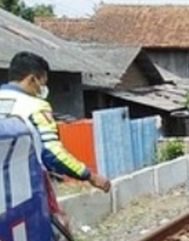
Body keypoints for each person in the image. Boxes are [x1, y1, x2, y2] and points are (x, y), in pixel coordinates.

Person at [0, 51, 110, 192]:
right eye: (42, 83)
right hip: (24, 188)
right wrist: (89, 175)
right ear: (32, 79)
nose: (42, 89)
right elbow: (52, 152)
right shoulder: (34, 106)